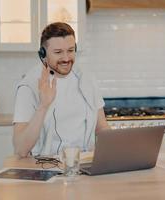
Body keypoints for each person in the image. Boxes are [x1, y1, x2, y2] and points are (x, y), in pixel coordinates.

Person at [13, 22, 110, 157]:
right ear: (43, 54)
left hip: (85, 164)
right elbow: (20, 149)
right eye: (58, 52)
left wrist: (117, 149)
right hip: (45, 167)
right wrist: (43, 105)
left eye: (70, 50)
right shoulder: (28, 87)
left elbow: (102, 127)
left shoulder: (87, 78)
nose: (66, 58)